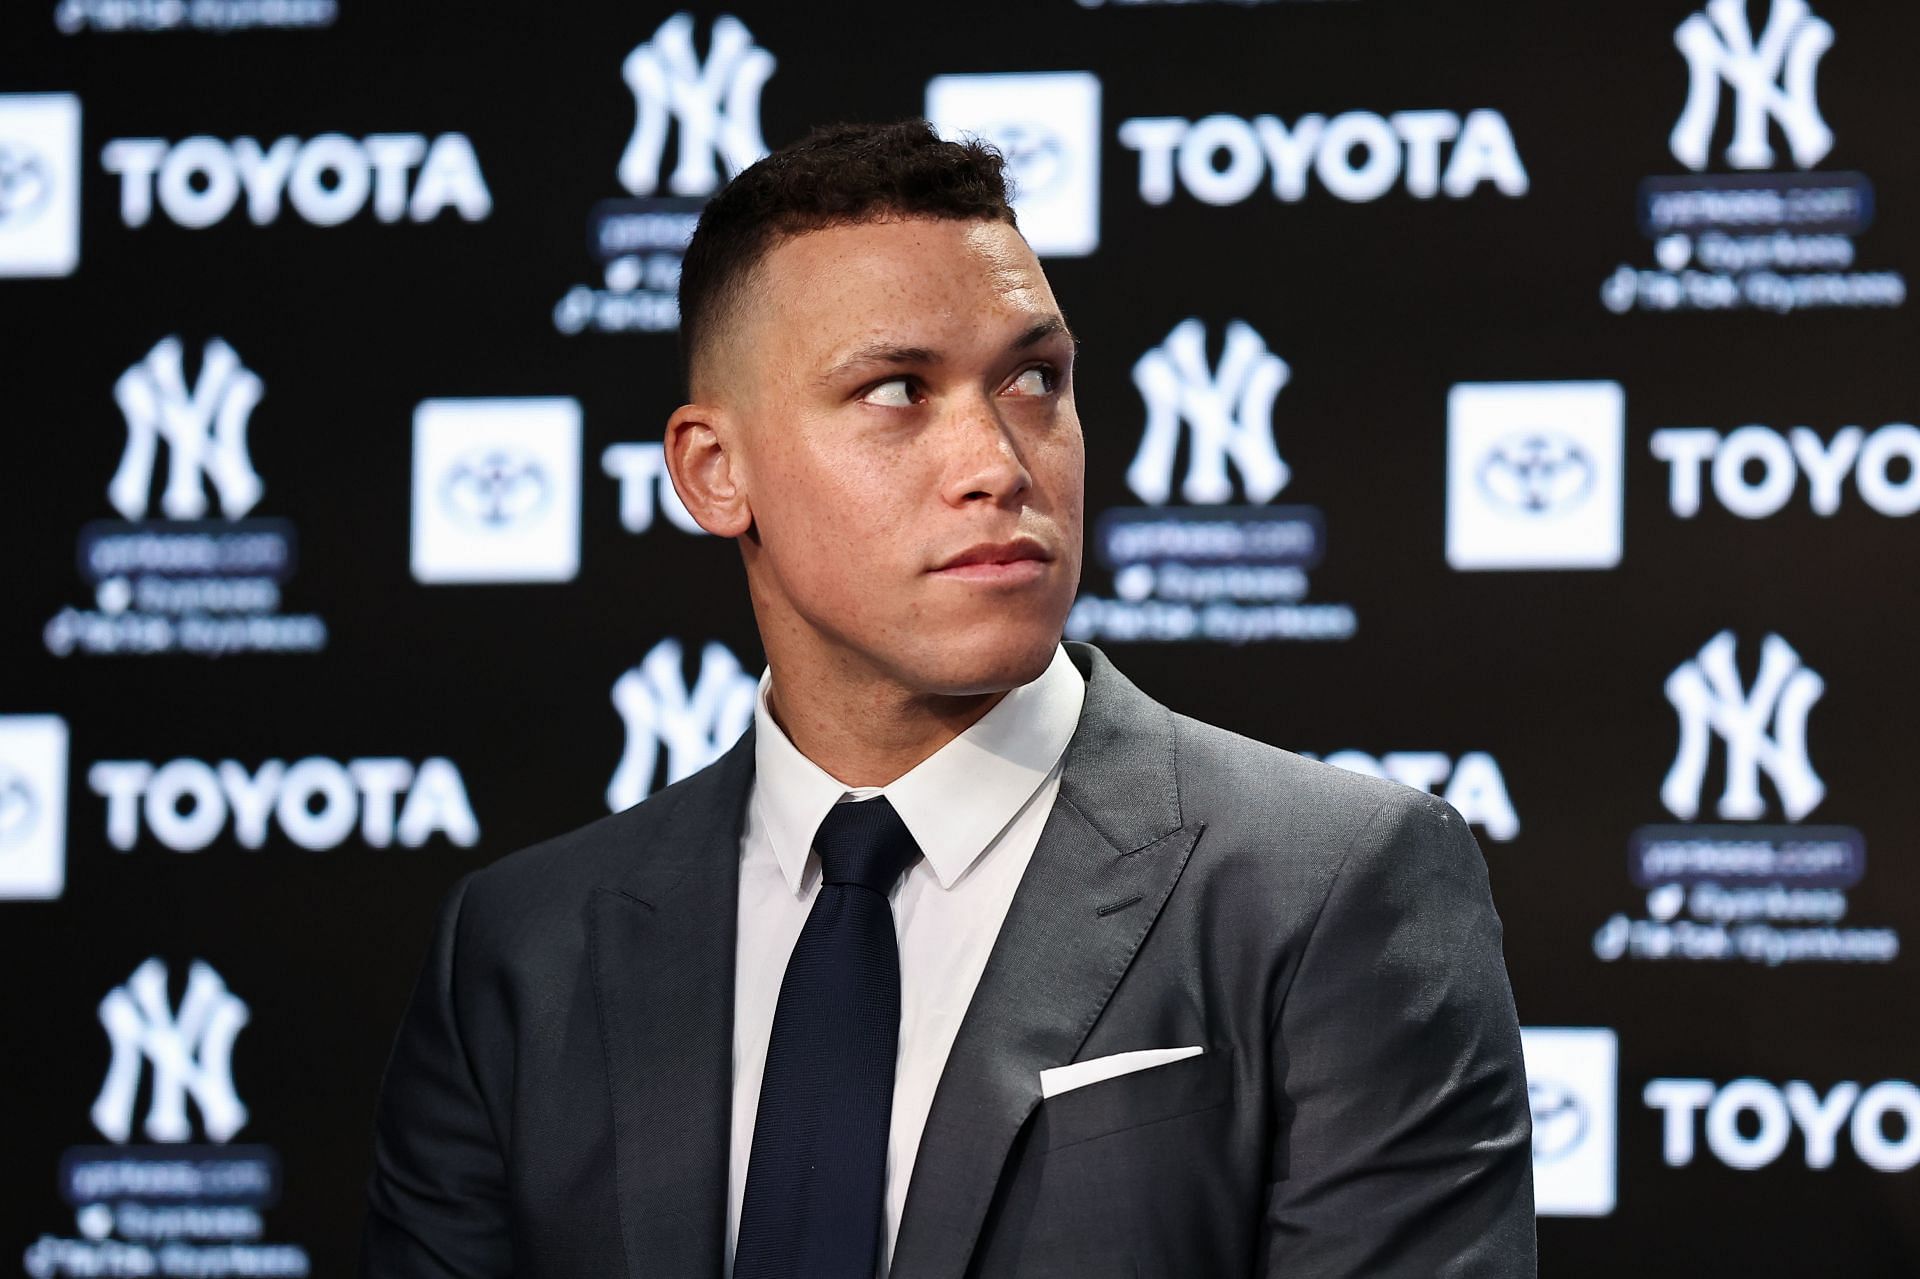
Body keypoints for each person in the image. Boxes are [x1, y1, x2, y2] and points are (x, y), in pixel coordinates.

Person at [361, 119, 1535, 1278]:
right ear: (716, 473)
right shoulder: (518, 953)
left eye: (1034, 379)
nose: (1000, 464)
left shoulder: (1329, 888)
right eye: (894, 391)